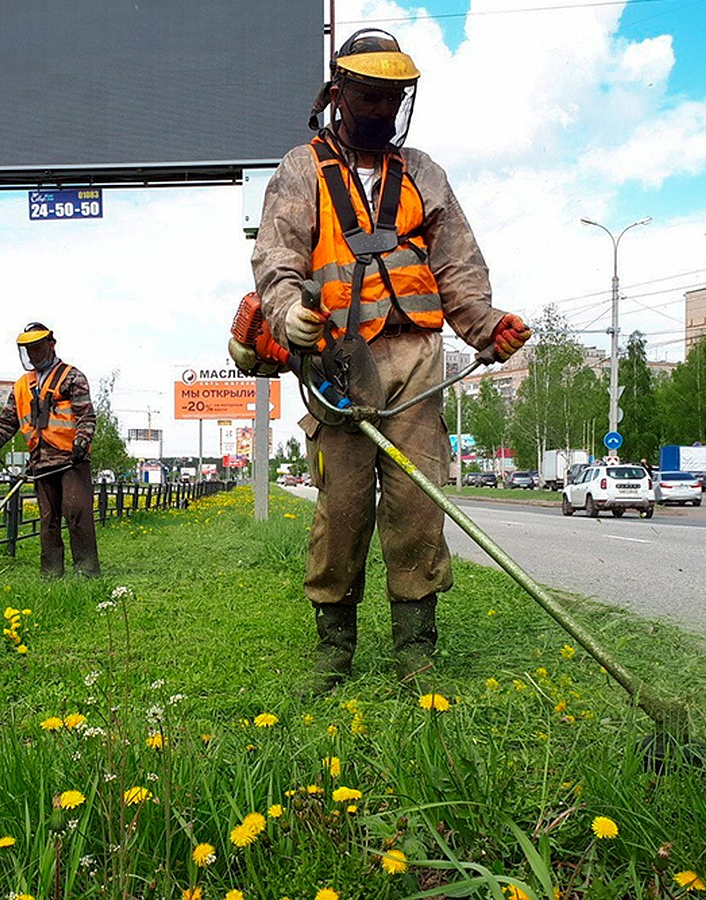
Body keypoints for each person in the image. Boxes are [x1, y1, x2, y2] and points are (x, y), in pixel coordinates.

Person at [250, 29, 532, 691]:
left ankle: (416, 654)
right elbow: (277, 256)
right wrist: (289, 309)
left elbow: (458, 267)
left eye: (392, 98)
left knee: (416, 507)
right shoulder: (300, 168)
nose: (380, 110)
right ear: (338, 94)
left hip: (418, 359)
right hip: (340, 364)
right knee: (342, 510)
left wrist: (487, 326)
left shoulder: (425, 173)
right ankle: (333, 654)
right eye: (369, 96)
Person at [0, 323, 101, 578]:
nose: (33, 354)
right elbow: (7, 420)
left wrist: (81, 443)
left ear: (51, 345)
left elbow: (86, 416)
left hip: (71, 459)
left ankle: (87, 575)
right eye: (29, 350)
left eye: (38, 348)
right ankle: (51, 575)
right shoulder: (20, 386)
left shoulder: (72, 377)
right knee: (47, 521)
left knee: (77, 515)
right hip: (40, 462)